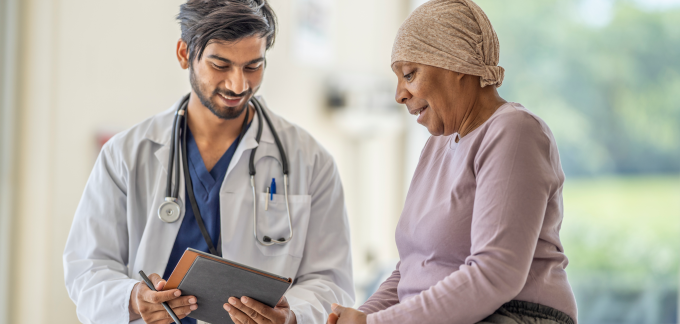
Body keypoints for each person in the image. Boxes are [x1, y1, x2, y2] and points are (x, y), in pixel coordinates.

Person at [63, 1, 354, 323]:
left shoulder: (310, 160)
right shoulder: (126, 154)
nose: (238, 85)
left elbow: (332, 281)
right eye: (220, 65)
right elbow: (87, 267)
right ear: (184, 54)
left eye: (253, 66)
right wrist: (132, 299)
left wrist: (293, 315)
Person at [327, 0, 578, 324]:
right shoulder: (437, 145)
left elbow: (496, 274)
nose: (399, 94)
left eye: (409, 74)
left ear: (457, 63)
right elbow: (411, 270)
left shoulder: (514, 131)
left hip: (513, 315)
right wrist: (360, 316)